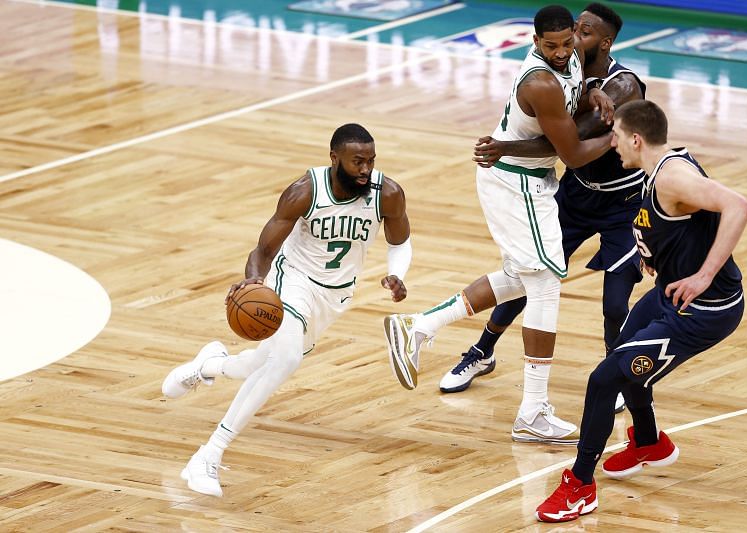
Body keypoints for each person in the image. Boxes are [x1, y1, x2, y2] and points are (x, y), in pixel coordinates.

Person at [383, 5, 615, 445]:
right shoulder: (539, 81)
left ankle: (420, 327)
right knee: (545, 283)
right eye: (552, 46)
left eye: (568, 42)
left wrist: (594, 96)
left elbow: (573, 96)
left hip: (528, 179)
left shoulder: (569, 63)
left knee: (518, 277)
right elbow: (574, 154)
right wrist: (618, 132)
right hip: (516, 184)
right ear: (534, 42)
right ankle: (532, 410)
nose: (563, 52)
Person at [161, 123, 412, 497]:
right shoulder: (305, 191)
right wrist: (254, 281)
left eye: (371, 161)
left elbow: (401, 242)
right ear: (334, 158)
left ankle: (209, 365)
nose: (365, 169)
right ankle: (208, 454)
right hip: (291, 282)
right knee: (285, 361)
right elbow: (263, 249)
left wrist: (396, 275)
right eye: (357, 161)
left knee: (257, 364)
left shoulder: (387, 194)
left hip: (334, 296)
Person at [535, 99, 747, 522]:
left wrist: (704, 275)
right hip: (671, 293)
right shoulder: (657, 167)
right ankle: (650, 442)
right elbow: (675, 223)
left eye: (615, 135)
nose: (611, 143)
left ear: (636, 139)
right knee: (623, 352)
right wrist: (651, 252)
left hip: (703, 310)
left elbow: (738, 206)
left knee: (603, 379)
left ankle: (580, 486)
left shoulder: (672, 176)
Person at [440, 3, 645, 418]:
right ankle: (482, 352)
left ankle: (618, 373)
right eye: (572, 32)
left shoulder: (624, 86)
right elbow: (558, 137)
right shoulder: (565, 71)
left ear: (603, 42)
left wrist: (504, 149)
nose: (572, 42)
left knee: (614, 303)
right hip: (576, 193)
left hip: (622, 201)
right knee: (528, 275)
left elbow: (564, 148)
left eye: (583, 35)